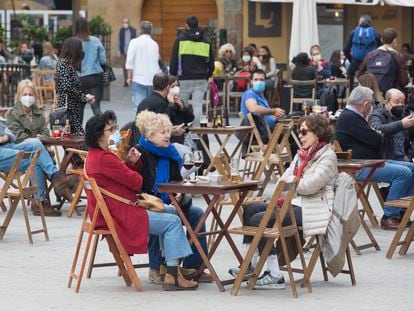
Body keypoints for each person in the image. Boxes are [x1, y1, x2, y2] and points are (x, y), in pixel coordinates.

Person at [84, 110, 198, 291]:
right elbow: (137, 182)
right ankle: (173, 274)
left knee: (169, 210)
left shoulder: (94, 155)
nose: (115, 131)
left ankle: (166, 267)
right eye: (110, 129)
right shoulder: (106, 158)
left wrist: (128, 163)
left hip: (113, 209)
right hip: (120, 214)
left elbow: (123, 179)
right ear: (99, 135)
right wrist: (129, 166)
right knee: (174, 222)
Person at [229, 114, 337, 289]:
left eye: (303, 132)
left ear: (317, 133)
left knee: (260, 220)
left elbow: (309, 186)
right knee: (250, 209)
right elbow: (282, 180)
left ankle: (275, 274)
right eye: (298, 132)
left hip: (313, 207)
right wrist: (292, 181)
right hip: (294, 201)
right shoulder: (302, 154)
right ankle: (249, 264)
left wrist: (292, 181)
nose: (300, 136)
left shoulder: (328, 157)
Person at [134, 110, 211, 284]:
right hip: (147, 204)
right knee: (164, 213)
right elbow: (137, 185)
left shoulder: (170, 153)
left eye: (168, 131)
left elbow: (177, 181)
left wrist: (181, 192)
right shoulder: (140, 152)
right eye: (163, 132)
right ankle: (156, 268)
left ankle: (194, 266)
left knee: (197, 213)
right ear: (150, 135)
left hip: (171, 201)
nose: (167, 136)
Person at [335, 86, 414, 230]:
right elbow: (377, 140)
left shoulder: (353, 117)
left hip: (370, 162)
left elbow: (376, 136)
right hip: (360, 166)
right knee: (403, 173)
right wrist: (376, 134)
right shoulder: (351, 118)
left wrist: (376, 134)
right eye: (370, 104)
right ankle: (390, 215)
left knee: (412, 168)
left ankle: (402, 211)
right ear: (366, 104)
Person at [0, 126, 77, 216]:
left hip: (11, 146)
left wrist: (6, 137)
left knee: (35, 143)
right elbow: (18, 133)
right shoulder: (14, 114)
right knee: (36, 159)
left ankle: (54, 178)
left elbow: (11, 135)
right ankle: (41, 200)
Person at [169, 15, 214, 126]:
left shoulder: (180, 40)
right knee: (197, 105)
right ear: (198, 25)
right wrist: (208, 75)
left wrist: (173, 74)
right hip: (201, 78)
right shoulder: (206, 41)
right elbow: (211, 62)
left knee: (182, 105)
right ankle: (196, 131)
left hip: (184, 78)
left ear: (186, 26)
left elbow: (174, 58)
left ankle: (183, 129)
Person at [55, 37, 95, 135]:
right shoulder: (64, 64)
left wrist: (84, 98)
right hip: (68, 110)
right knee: (75, 139)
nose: (82, 51)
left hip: (72, 109)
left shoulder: (67, 64)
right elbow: (67, 87)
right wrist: (84, 97)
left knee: (75, 138)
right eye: (81, 48)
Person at [358, 28, 409, 96]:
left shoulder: (370, 55)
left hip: (372, 96)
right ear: (394, 40)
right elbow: (404, 81)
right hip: (390, 97)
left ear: (381, 40)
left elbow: (360, 75)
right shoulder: (398, 56)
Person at [75, 17, 106, 123]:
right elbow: (103, 60)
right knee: (96, 107)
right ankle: (103, 130)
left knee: (79, 108)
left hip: (79, 78)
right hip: (95, 76)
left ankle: (78, 135)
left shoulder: (74, 42)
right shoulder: (96, 40)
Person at [368, 88, 414, 161]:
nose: (400, 105)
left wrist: (409, 154)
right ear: (386, 103)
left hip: (404, 158)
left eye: (402, 102)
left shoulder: (405, 115)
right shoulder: (377, 115)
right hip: (386, 160)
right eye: (397, 102)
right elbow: (378, 130)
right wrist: (401, 124)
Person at [126, 20, 161, 111]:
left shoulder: (134, 42)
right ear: (151, 30)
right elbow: (157, 61)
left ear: (140, 30)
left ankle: (140, 125)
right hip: (152, 79)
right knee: (151, 109)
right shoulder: (154, 44)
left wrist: (129, 77)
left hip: (138, 79)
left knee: (139, 108)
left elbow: (130, 61)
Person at [343, 14, 380, 91]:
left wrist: (351, 60)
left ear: (360, 22)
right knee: (374, 76)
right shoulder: (376, 33)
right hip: (371, 61)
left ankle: (351, 93)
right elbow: (380, 48)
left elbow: (346, 50)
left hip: (356, 61)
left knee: (350, 73)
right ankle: (374, 94)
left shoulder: (353, 32)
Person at [116, 18, 136, 87]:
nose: (125, 24)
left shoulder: (133, 30)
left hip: (132, 51)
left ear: (129, 23)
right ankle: (126, 80)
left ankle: (131, 79)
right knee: (125, 66)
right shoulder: (120, 31)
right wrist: (118, 51)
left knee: (131, 66)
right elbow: (118, 41)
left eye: (126, 22)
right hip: (123, 51)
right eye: (124, 22)